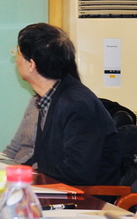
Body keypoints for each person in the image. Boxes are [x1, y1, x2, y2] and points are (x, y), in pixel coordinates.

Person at [16, 23, 121, 185]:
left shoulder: (76, 104)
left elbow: (78, 171)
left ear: (31, 64)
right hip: (53, 188)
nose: (15, 59)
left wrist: (26, 175)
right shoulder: (50, 97)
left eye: (17, 53)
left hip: (85, 196)